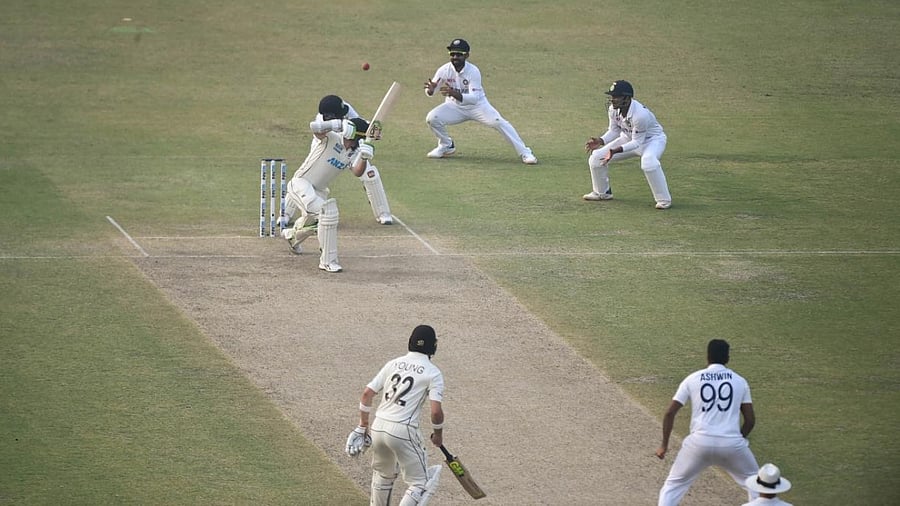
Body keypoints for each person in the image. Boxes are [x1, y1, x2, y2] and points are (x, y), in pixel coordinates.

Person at [346, 325, 444, 506]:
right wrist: (438, 434)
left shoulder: (393, 364)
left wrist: (362, 427)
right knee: (420, 483)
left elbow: (367, 394)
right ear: (433, 346)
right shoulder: (433, 372)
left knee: (383, 474)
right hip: (403, 429)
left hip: (379, 426)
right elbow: (436, 412)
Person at [655, 339, 760, 505]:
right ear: (728, 358)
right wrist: (738, 438)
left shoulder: (692, 379)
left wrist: (664, 445)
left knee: (673, 485)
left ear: (707, 357)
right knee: (759, 486)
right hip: (732, 444)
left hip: (698, 443)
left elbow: (669, 413)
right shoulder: (740, 381)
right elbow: (750, 420)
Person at [280, 113, 373, 272]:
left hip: (319, 191)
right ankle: (327, 261)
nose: (353, 145)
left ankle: (292, 236)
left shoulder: (353, 152)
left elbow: (357, 172)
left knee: (316, 222)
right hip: (301, 184)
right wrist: (336, 123)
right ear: (349, 132)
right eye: (354, 140)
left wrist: (364, 157)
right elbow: (314, 128)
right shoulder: (332, 137)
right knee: (328, 213)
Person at [424, 38, 538, 165]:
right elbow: (432, 90)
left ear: (466, 55)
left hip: (478, 107)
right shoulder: (444, 70)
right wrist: (430, 90)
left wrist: (455, 93)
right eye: (452, 54)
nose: (455, 57)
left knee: (498, 122)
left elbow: (474, 99)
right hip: (454, 107)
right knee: (432, 118)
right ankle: (446, 145)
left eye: (459, 54)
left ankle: (525, 152)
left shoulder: (473, 71)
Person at [583, 79, 673, 209]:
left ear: (627, 98)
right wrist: (601, 140)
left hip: (652, 141)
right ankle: (602, 193)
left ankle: (664, 200)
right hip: (628, 137)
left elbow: (637, 142)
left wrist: (615, 151)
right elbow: (614, 130)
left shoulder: (640, 115)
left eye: (616, 97)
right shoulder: (613, 110)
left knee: (648, 162)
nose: (612, 100)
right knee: (596, 158)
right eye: (612, 97)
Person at [314, 95, 393, 225]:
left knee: (370, 174)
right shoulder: (320, 123)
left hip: (349, 146)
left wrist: (372, 131)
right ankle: (290, 213)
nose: (344, 115)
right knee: (313, 179)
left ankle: (383, 213)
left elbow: (359, 122)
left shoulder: (346, 108)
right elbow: (327, 136)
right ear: (328, 116)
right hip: (325, 149)